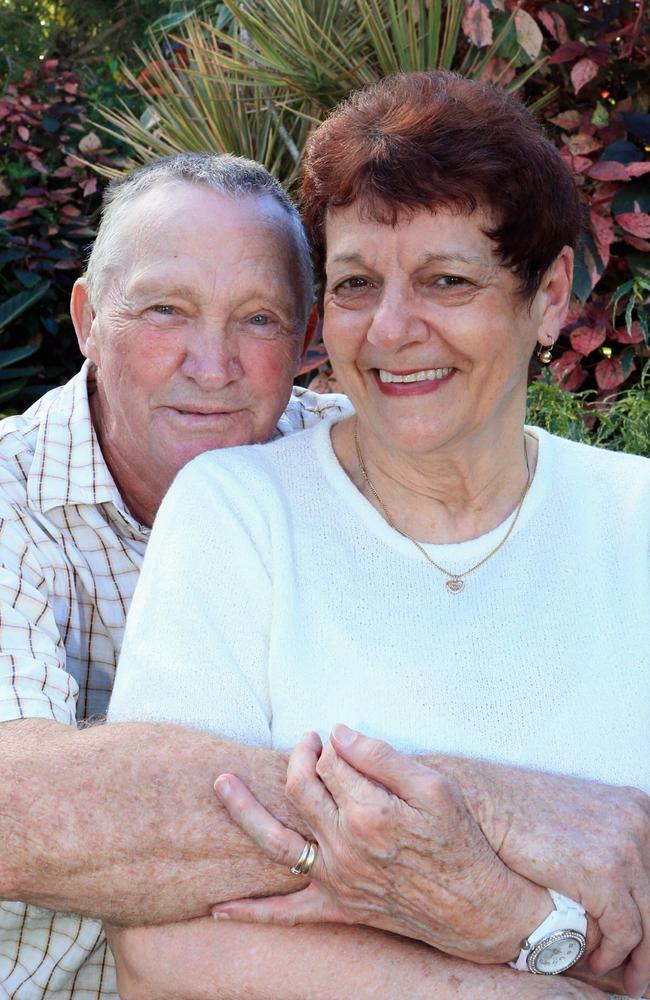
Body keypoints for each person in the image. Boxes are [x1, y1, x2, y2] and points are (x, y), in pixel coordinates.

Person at [108, 73, 650, 999]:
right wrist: (548, 947)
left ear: (551, 294)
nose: (393, 331)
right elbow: (162, 948)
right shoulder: (240, 516)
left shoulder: (634, 519)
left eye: (446, 280)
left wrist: (490, 916)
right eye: (358, 284)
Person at [0, 151, 352, 998]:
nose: (211, 363)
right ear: (88, 318)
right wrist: (429, 832)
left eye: (259, 319)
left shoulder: (352, 466)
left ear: (307, 340)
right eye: (166, 310)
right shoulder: (12, 499)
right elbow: (21, 816)